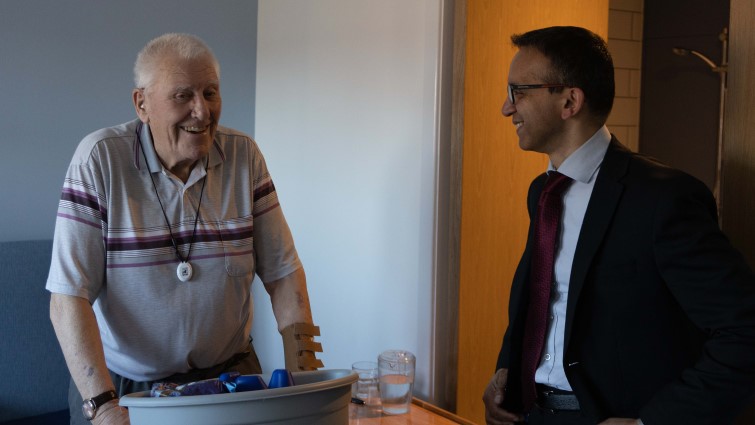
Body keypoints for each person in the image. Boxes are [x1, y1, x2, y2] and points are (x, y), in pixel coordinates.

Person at [482, 26, 755, 425]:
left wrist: (655, 422)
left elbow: (744, 330)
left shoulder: (663, 199)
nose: (508, 108)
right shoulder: (541, 192)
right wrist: (507, 373)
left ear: (570, 100)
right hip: (530, 415)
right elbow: (541, 296)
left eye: (519, 92)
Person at [47, 33, 323, 425]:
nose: (203, 111)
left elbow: (283, 273)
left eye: (210, 93)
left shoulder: (244, 156)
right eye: (183, 96)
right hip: (126, 387)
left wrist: (307, 377)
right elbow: (68, 299)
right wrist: (104, 405)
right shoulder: (99, 160)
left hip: (232, 378)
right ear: (141, 103)